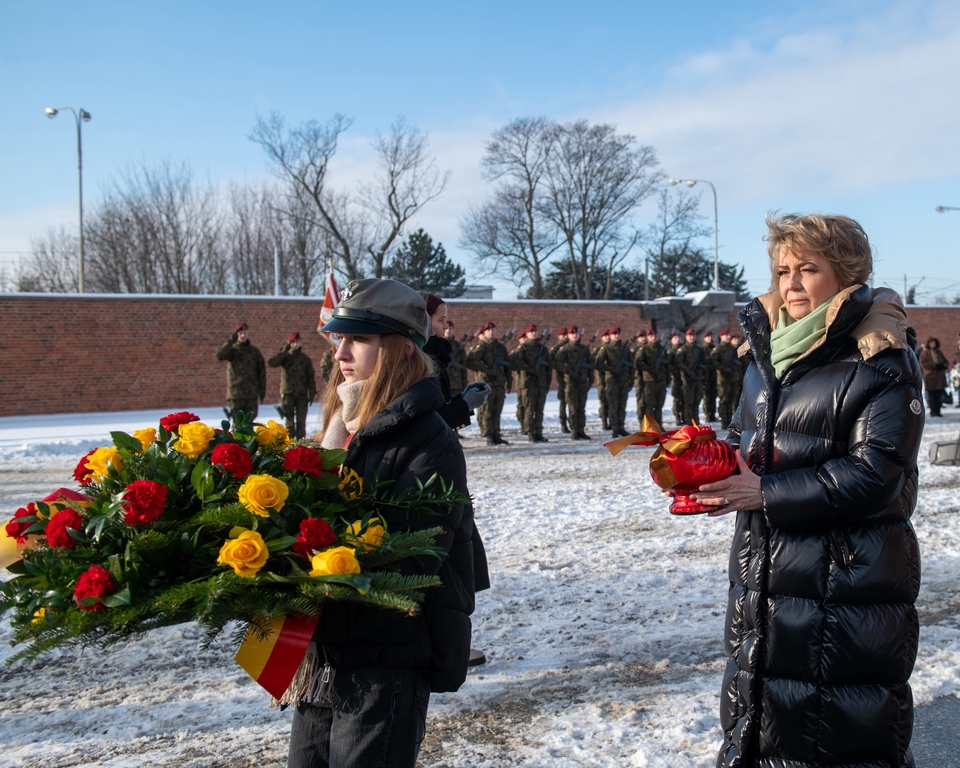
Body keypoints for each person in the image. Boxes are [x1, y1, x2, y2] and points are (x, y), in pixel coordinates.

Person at [693, 213, 923, 768]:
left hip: (846, 580)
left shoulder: (882, 358)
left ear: (844, 274)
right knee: (762, 721)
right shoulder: (764, 351)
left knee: (836, 734)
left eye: (806, 270)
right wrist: (707, 463)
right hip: (763, 569)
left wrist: (763, 494)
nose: (789, 284)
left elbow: (876, 474)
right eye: (782, 270)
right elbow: (751, 436)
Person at [287, 277, 476, 768]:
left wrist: (308, 559)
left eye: (359, 339)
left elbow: (414, 553)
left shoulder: (429, 441)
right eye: (338, 339)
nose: (340, 352)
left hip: (386, 654)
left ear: (395, 348)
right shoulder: (340, 425)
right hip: (324, 649)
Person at [418, 292, 490, 431]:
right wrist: (465, 404)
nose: (445, 327)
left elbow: (437, 411)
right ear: (423, 321)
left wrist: (462, 399)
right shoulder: (419, 362)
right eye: (441, 320)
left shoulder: (435, 354)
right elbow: (425, 426)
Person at [465, 323, 511, 445]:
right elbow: (470, 361)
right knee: (487, 410)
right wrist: (486, 371)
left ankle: (496, 433)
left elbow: (507, 365)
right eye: (488, 330)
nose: (491, 332)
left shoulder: (501, 348)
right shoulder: (482, 346)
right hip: (487, 384)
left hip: (499, 383)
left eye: (493, 329)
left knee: (497, 410)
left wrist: (509, 380)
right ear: (484, 333)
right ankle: (489, 435)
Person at [268, 332, 317, 439]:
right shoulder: (285, 357)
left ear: (300, 343)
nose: (295, 344)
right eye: (293, 342)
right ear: (289, 343)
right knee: (289, 423)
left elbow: (310, 376)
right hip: (288, 393)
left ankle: (300, 444)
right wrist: (284, 351)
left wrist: (312, 391)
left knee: (301, 422)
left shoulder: (304, 359)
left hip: (301, 394)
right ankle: (289, 444)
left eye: (297, 342)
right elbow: (272, 362)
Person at [215, 323, 266, 423]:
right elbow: (219, 355)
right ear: (236, 335)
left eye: (245, 333)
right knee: (238, 424)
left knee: (249, 424)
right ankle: (236, 439)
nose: (243, 335)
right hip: (236, 394)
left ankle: (248, 439)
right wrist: (230, 341)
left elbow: (261, 372)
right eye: (240, 333)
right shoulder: (231, 350)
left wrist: (262, 391)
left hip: (251, 394)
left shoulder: (254, 352)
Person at [509, 324, 551, 442]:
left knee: (539, 410)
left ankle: (539, 432)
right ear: (527, 334)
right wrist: (529, 369)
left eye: (535, 331)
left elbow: (548, 367)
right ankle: (530, 432)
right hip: (528, 384)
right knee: (529, 409)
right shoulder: (523, 348)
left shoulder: (542, 349)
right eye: (531, 332)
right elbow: (512, 362)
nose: (534, 333)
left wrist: (547, 382)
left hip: (541, 384)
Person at [554, 326, 593, 440]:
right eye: (572, 334)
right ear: (569, 336)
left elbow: (589, 364)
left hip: (582, 382)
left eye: (576, 334)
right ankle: (574, 430)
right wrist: (569, 372)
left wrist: (590, 379)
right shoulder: (565, 349)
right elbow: (557, 363)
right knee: (573, 408)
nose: (574, 336)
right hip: (571, 382)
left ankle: (581, 430)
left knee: (581, 407)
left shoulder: (584, 349)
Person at [594, 327, 633, 438]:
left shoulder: (624, 349)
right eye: (614, 334)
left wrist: (631, 380)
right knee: (613, 406)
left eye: (618, 334)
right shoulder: (606, 348)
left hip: (624, 381)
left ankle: (621, 427)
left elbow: (631, 365)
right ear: (610, 336)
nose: (616, 336)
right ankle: (615, 428)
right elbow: (598, 363)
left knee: (622, 405)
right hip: (612, 381)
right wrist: (611, 370)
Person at [635, 328, 667, 426]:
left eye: (655, 336)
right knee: (649, 405)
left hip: (661, 380)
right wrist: (650, 369)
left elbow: (667, 365)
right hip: (649, 381)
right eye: (651, 336)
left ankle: (659, 425)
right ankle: (649, 426)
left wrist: (667, 377)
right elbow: (637, 363)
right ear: (648, 337)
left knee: (659, 405)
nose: (653, 338)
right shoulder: (644, 349)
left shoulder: (662, 349)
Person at [675, 328, 706, 425]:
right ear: (686, 337)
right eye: (689, 336)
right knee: (688, 402)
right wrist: (689, 372)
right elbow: (679, 363)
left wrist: (700, 374)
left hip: (698, 379)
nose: (692, 337)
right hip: (688, 380)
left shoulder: (699, 350)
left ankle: (696, 421)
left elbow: (704, 363)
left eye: (693, 335)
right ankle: (688, 421)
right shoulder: (683, 350)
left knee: (696, 401)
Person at [713, 328, 740, 429]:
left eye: (729, 335)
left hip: (733, 378)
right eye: (726, 335)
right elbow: (713, 361)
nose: (729, 336)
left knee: (732, 399)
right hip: (723, 379)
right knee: (724, 400)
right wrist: (724, 369)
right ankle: (724, 421)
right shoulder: (719, 348)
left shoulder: (733, 349)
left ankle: (730, 420)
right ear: (721, 336)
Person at [919, 337, 949, 417]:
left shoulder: (938, 352)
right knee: (932, 395)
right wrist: (935, 366)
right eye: (931, 343)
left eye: (934, 343)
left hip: (940, 377)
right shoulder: (925, 353)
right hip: (931, 378)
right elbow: (924, 364)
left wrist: (943, 366)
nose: (933, 345)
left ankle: (938, 411)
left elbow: (945, 361)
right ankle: (933, 411)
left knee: (939, 395)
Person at [551, 328, 570, 433]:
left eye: (566, 334)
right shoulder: (557, 348)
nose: (565, 337)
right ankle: (563, 424)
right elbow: (552, 361)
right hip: (562, 379)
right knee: (563, 402)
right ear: (559, 336)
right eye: (563, 335)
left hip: (572, 380)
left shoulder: (570, 346)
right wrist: (563, 368)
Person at [700, 329, 718, 422]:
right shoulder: (702, 349)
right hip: (706, 376)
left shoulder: (713, 347)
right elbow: (705, 361)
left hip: (714, 375)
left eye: (711, 336)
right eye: (708, 337)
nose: (710, 338)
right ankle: (707, 415)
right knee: (707, 397)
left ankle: (713, 414)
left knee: (713, 396)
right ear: (704, 338)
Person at [667, 331, 684, 426]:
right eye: (675, 338)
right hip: (676, 377)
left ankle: (684, 416)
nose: (678, 339)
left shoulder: (683, 349)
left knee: (685, 397)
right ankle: (677, 416)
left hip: (684, 377)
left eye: (678, 337)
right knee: (677, 398)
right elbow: (670, 366)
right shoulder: (671, 352)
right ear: (671, 340)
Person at [596, 329, 612, 430]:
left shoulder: (612, 349)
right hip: (602, 380)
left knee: (612, 402)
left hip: (611, 379)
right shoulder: (600, 349)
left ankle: (611, 421)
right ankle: (604, 421)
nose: (607, 337)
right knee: (603, 402)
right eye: (605, 336)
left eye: (608, 335)